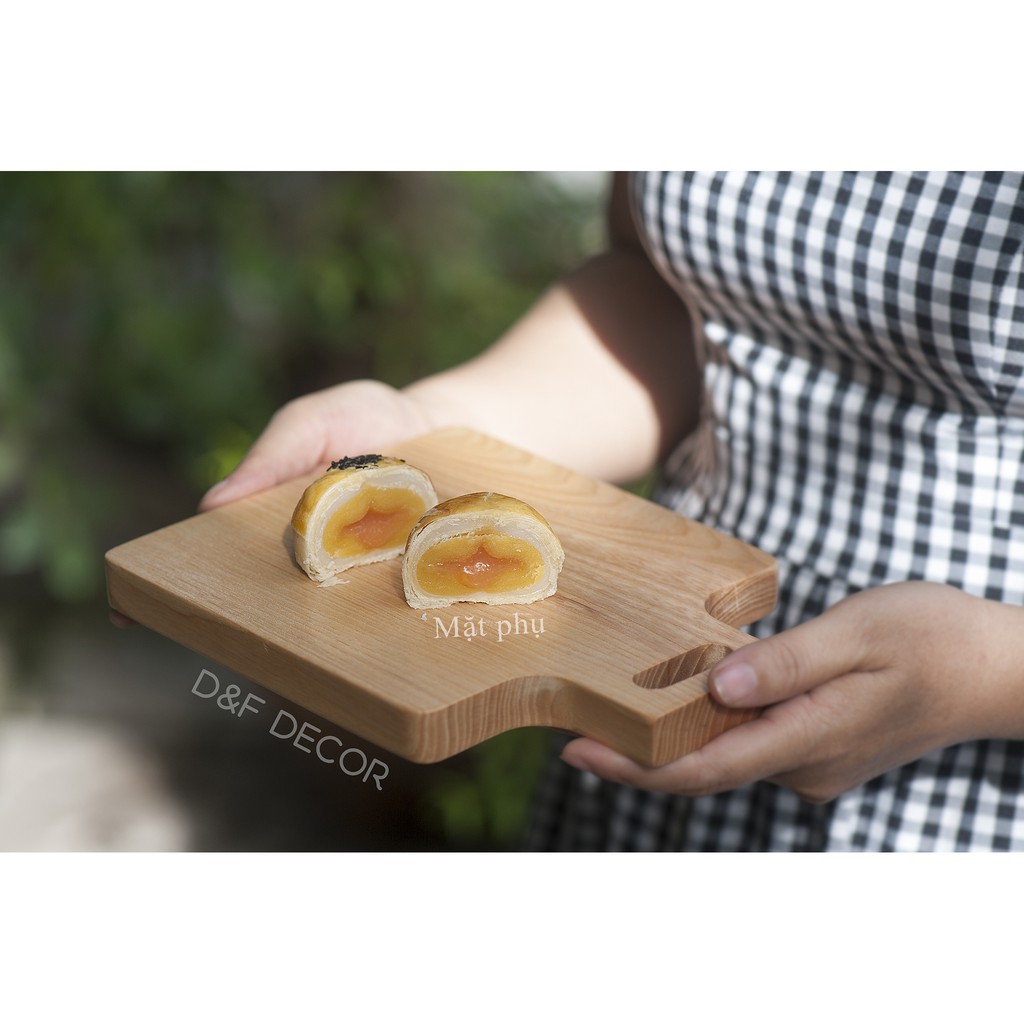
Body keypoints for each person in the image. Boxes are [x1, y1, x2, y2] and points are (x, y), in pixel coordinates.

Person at [198, 172, 1024, 852]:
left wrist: (988, 673)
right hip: (650, 675)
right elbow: (667, 295)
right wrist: (434, 422)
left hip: (968, 796)